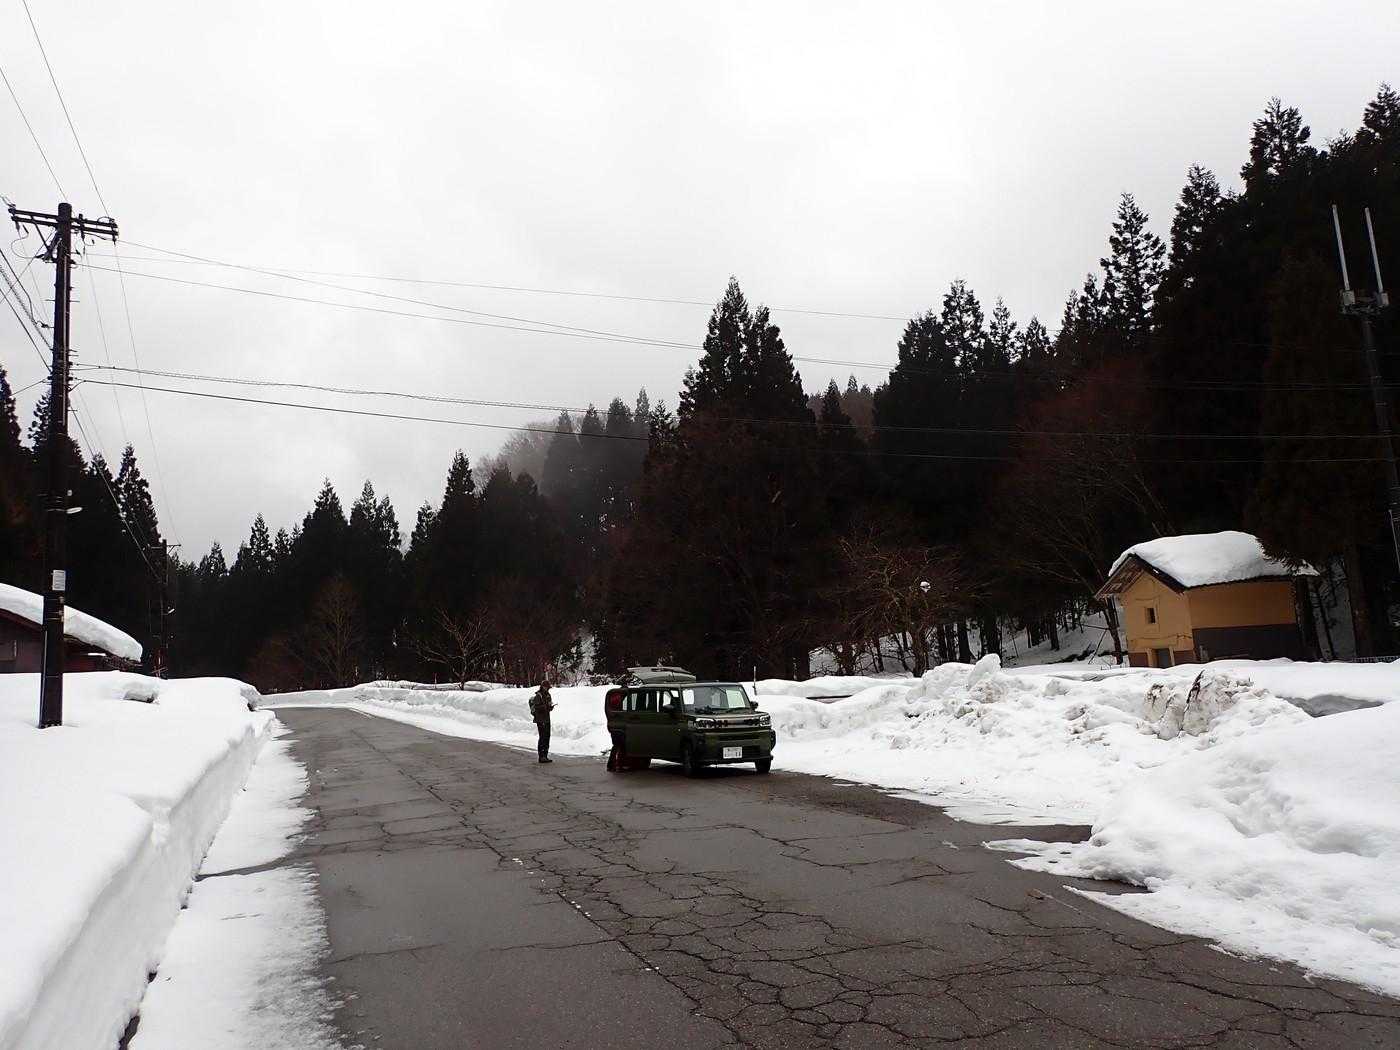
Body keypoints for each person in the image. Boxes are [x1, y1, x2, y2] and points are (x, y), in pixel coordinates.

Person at [528, 680, 555, 763]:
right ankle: (541, 756)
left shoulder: (548, 695)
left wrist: (550, 707)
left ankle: (545, 756)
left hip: (547, 719)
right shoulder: (538, 696)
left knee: (547, 737)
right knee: (542, 737)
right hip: (540, 719)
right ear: (543, 687)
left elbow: (548, 705)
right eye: (547, 687)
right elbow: (537, 708)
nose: (548, 689)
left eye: (548, 687)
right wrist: (545, 707)